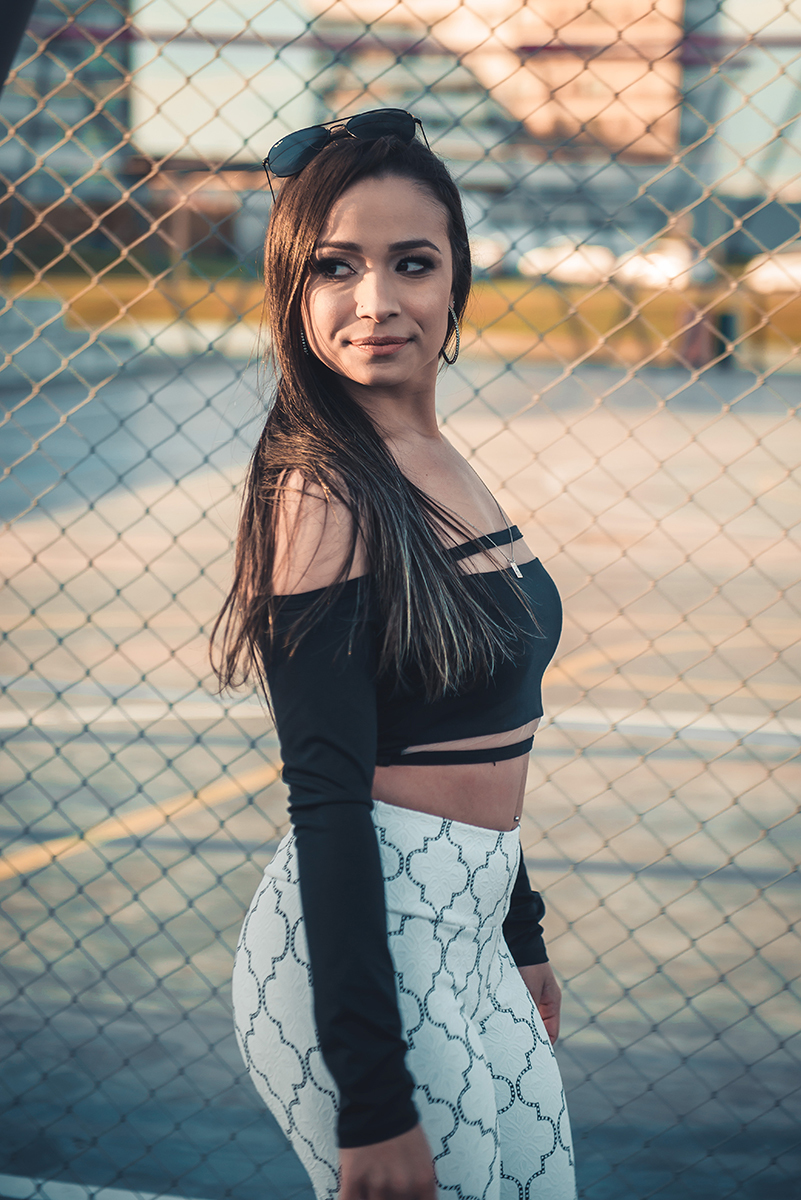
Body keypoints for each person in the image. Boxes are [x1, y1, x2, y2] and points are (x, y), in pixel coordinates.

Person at [213, 109, 576, 1200]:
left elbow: (493, 730)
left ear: (456, 275)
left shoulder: (433, 451)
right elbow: (330, 803)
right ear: (293, 288)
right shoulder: (320, 488)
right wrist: (372, 1104)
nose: (376, 302)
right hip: (370, 947)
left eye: (411, 263)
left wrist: (519, 928)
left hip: (469, 931)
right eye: (336, 267)